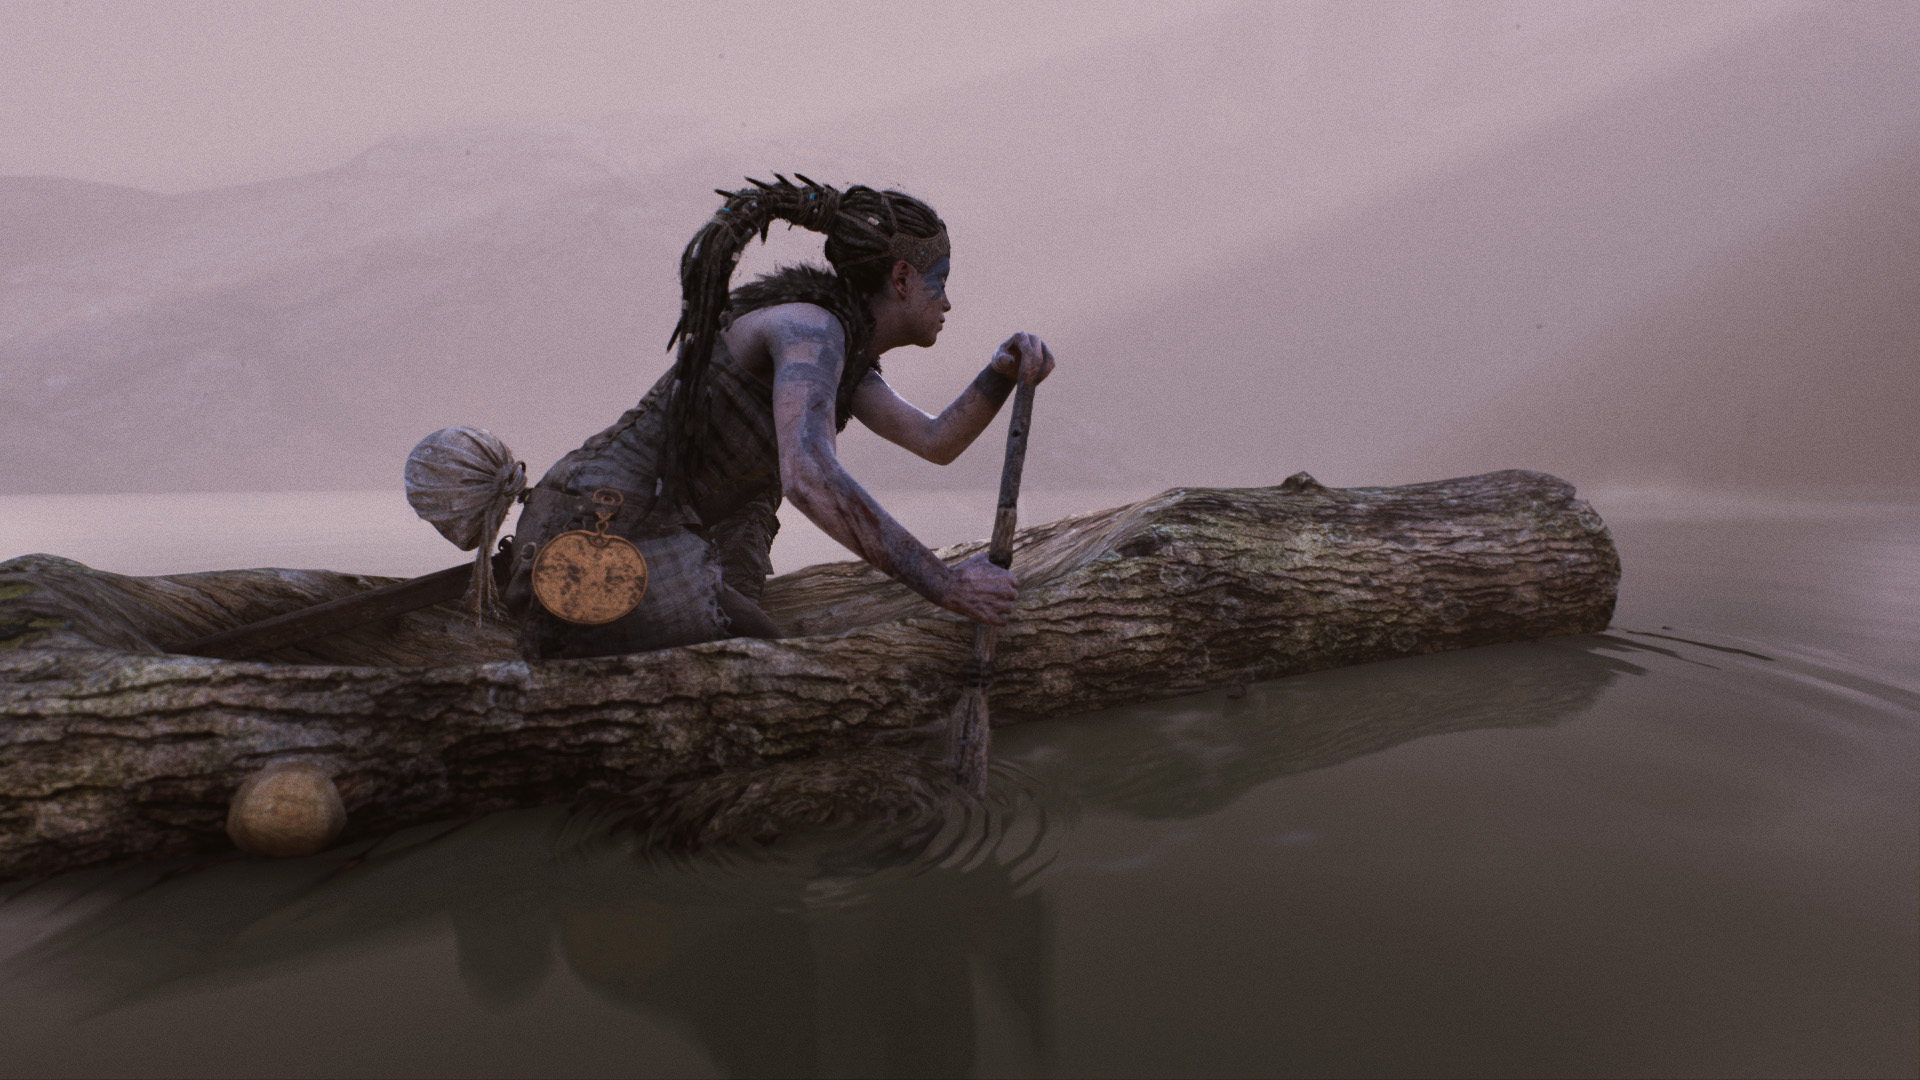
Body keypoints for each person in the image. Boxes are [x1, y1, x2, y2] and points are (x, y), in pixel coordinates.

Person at [504, 176, 1055, 659]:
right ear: (903, 278)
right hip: (602, 525)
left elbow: (936, 440)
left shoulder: (842, 359)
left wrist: (1002, 371)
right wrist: (947, 585)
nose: (947, 303)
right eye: (941, 282)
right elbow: (809, 475)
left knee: (766, 648)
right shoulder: (809, 330)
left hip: (665, 530)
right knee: (766, 658)